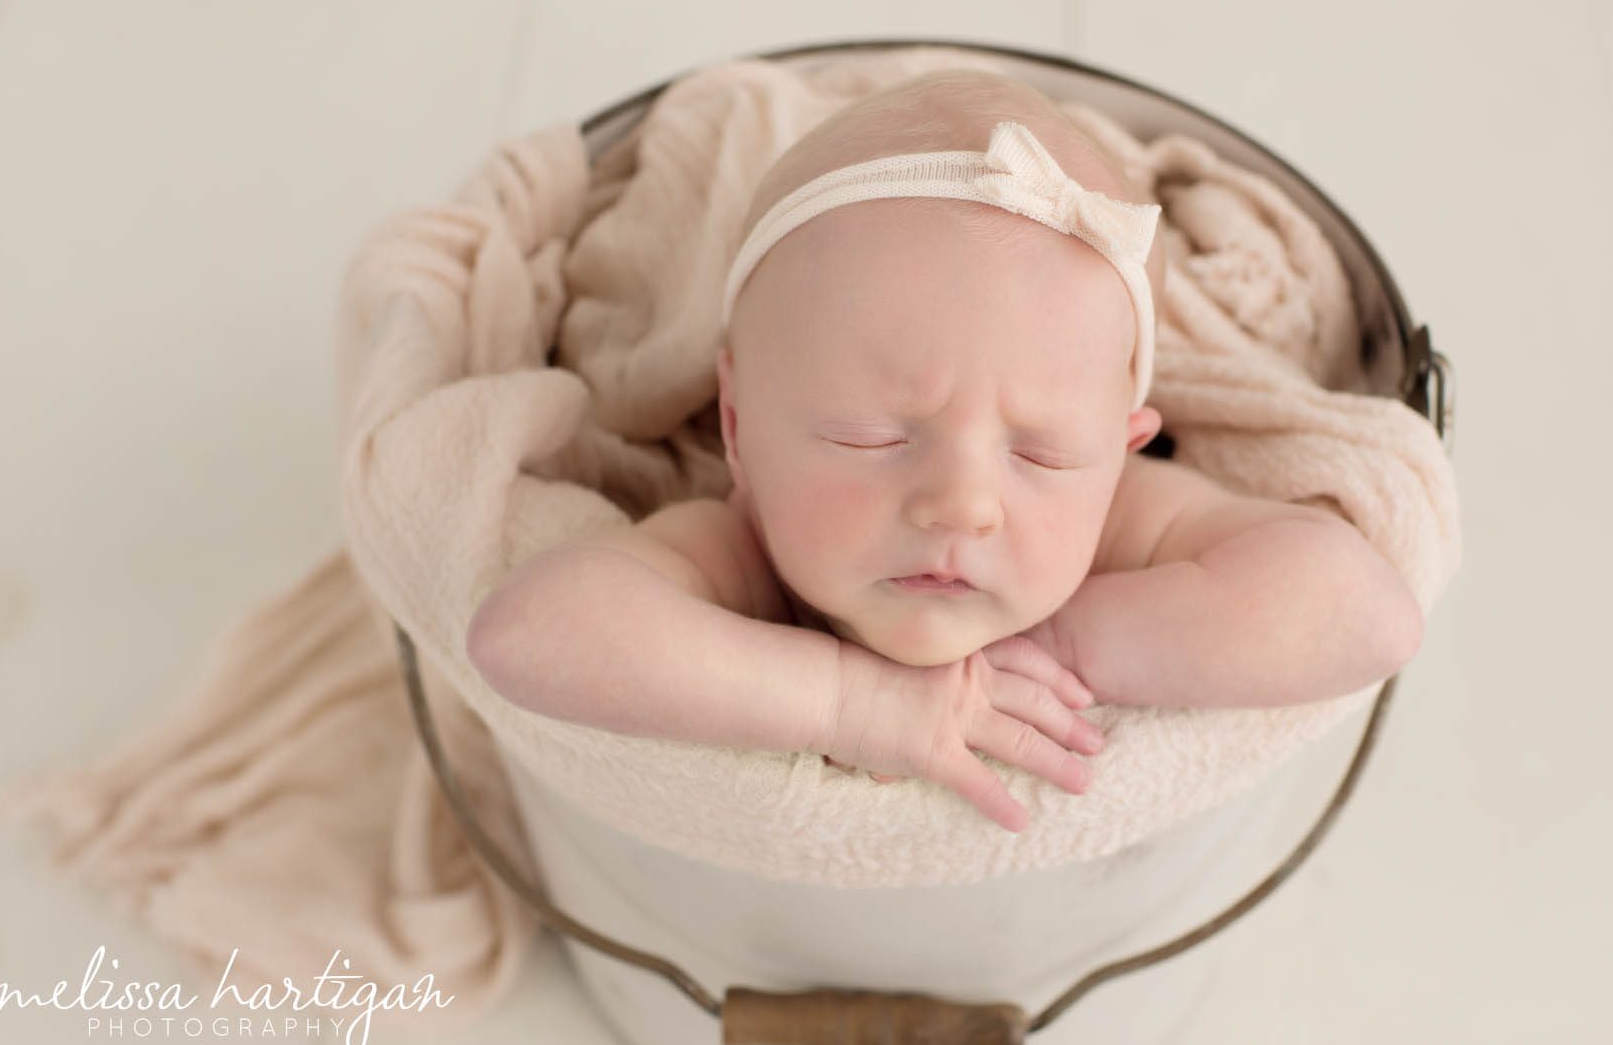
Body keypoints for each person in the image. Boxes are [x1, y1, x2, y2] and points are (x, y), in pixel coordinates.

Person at [466, 70, 1422, 833]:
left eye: (1042, 454)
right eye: (870, 435)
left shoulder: (1118, 520)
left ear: (1121, 452)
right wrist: (850, 702)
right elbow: (528, 636)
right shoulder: (744, 548)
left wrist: (1061, 642)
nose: (962, 504)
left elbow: (1365, 616)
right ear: (737, 426)